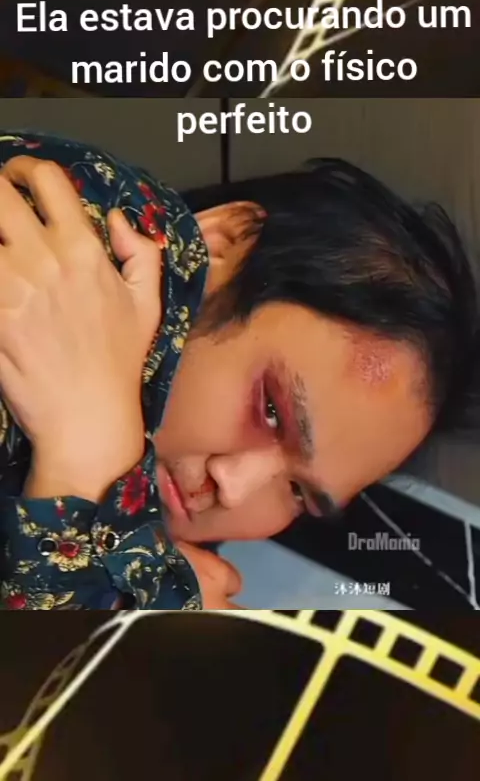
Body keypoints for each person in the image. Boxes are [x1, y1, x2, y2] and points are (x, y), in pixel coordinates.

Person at [0, 131, 477, 611]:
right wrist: (83, 466)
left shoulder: (165, 566)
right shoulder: (43, 255)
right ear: (222, 244)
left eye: (297, 492)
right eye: (271, 409)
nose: (233, 486)